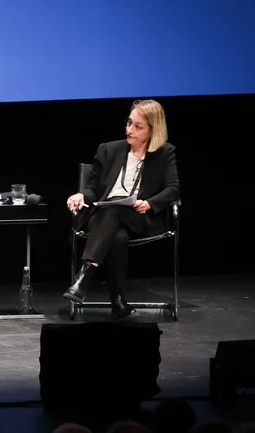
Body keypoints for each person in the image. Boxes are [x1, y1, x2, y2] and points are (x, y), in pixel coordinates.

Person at [64, 99, 179, 318]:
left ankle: (84, 277)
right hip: (104, 218)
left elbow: (173, 189)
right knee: (116, 235)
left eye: (138, 126)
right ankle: (118, 302)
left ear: (153, 130)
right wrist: (81, 195)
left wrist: (150, 203)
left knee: (116, 210)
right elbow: (92, 189)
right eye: (129, 123)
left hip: (140, 217)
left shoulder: (165, 153)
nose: (130, 130)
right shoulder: (108, 150)